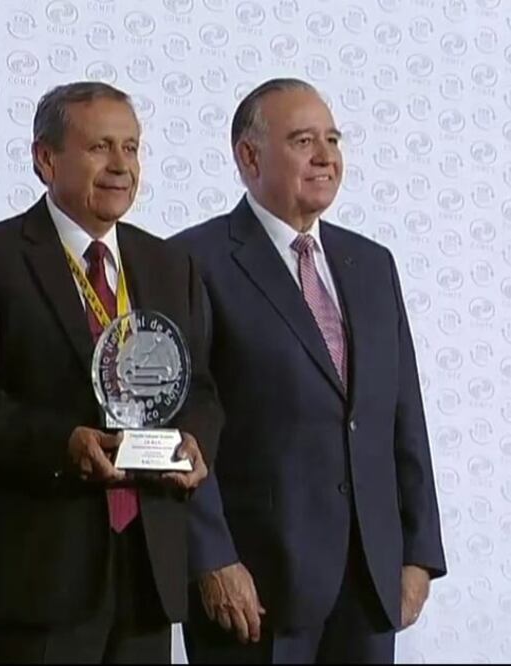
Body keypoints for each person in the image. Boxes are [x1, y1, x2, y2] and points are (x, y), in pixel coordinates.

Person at [173, 78, 446, 664]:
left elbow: (403, 414)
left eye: (332, 138)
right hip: (257, 589)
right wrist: (212, 558)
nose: (326, 156)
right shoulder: (191, 263)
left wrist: (418, 552)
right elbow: (178, 424)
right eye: (303, 140)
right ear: (249, 157)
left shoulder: (371, 264)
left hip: (368, 585)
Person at [0, 82, 222, 664]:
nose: (121, 166)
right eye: (100, 147)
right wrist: (61, 444)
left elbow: (199, 391)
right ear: (46, 159)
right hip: (40, 575)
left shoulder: (171, 264)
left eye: (132, 147)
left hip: (148, 571)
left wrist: (197, 441)